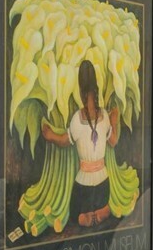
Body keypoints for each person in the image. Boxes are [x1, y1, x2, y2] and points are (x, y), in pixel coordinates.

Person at [41, 59, 123, 227]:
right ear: (96, 88)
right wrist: (114, 120)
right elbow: (113, 141)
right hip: (103, 184)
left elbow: (64, 141)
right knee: (102, 207)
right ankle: (101, 211)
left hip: (83, 185)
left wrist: (50, 136)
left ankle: (89, 215)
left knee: (74, 217)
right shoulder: (104, 117)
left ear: (80, 90)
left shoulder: (77, 119)